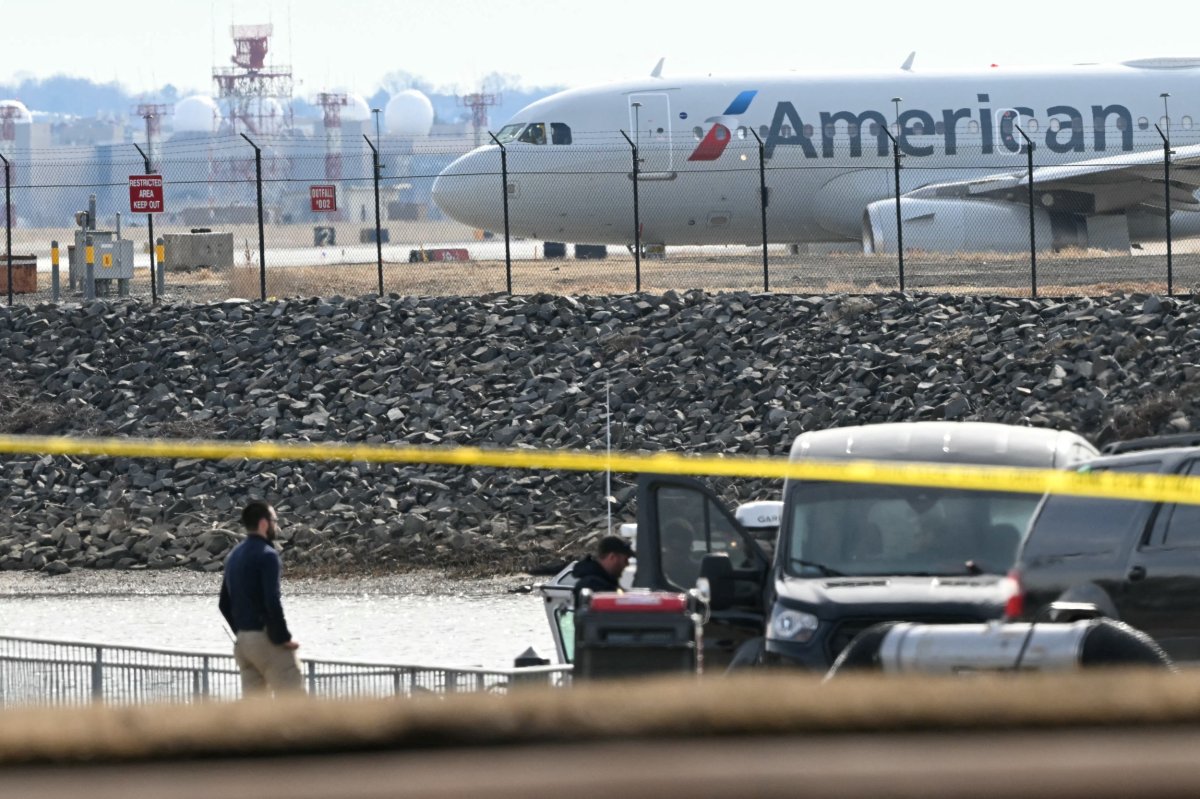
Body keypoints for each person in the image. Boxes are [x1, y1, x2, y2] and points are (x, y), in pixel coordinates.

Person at [218, 501, 305, 696]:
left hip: (243, 644)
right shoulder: (268, 555)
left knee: (255, 712)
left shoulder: (233, 556)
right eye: (274, 520)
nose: (276, 525)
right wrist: (283, 638)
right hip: (264, 639)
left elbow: (223, 603)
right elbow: (271, 600)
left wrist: (242, 632)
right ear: (264, 524)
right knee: (295, 703)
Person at [571, 535, 634, 607]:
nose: (627, 565)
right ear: (612, 557)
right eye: (625, 560)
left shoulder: (607, 582)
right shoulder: (593, 585)